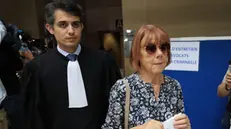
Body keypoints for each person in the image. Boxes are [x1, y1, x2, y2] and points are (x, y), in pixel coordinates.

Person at [21, 0, 121, 129]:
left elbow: (117, 106)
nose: (71, 31)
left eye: (75, 24)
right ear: (50, 28)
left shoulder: (103, 62)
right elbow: (33, 116)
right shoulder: (37, 68)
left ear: (82, 27)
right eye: (63, 25)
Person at [102, 24, 191, 129]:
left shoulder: (174, 86)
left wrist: (186, 126)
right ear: (137, 54)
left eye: (163, 47)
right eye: (151, 48)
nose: (159, 53)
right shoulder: (123, 88)